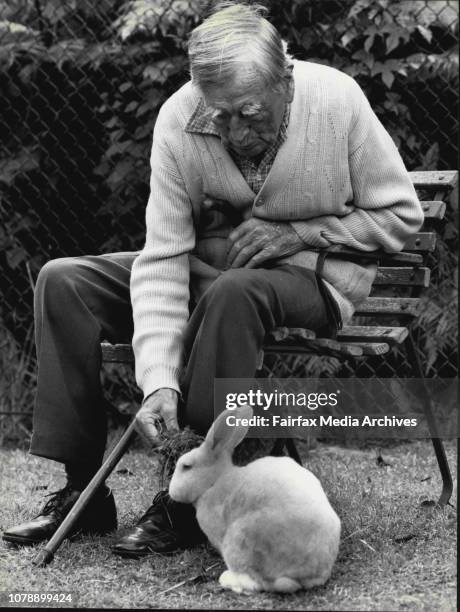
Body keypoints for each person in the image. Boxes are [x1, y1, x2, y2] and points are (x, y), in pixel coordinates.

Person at [3, 2, 423, 557]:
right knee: (64, 281)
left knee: (234, 290)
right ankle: (83, 490)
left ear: (286, 79)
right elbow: (163, 259)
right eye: (218, 114)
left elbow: (400, 217)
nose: (231, 131)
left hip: (312, 280)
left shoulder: (337, 99)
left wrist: (302, 233)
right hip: (216, 273)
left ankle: (186, 503)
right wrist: (157, 380)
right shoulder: (179, 120)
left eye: (248, 113)